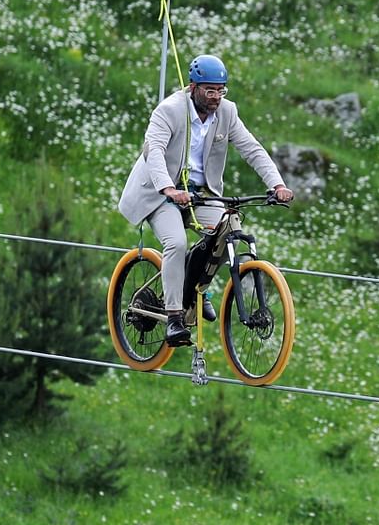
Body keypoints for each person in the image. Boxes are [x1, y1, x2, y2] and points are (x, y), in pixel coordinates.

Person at [118, 54, 294, 347]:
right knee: (176, 243)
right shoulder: (169, 111)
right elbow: (155, 152)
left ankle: (198, 287)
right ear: (193, 87)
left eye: (221, 90)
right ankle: (175, 317)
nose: (216, 97)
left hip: (201, 192)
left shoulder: (227, 112)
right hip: (162, 193)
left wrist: (276, 184)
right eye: (209, 90)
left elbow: (252, 149)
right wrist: (168, 189)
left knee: (228, 234)